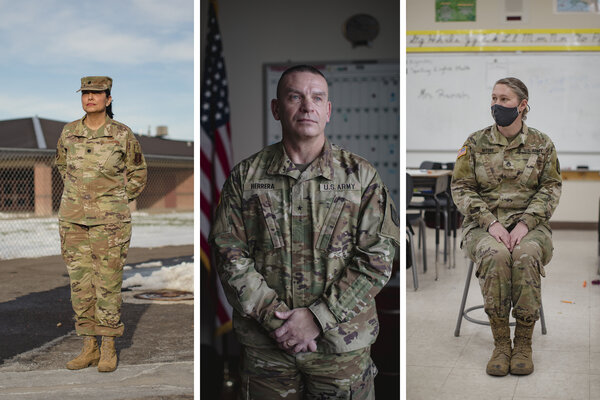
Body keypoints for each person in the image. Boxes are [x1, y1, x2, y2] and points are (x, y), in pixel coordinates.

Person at [209, 65, 399, 398]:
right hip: (267, 350)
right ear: (277, 108)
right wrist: (278, 322)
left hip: (341, 348)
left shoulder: (361, 177)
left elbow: (377, 259)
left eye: (317, 98)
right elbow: (229, 254)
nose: (307, 106)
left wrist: (317, 318)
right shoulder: (245, 176)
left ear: (328, 111)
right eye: (295, 96)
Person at [451, 77, 562, 376]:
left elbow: (551, 188)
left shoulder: (542, 144)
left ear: (522, 105)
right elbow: (461, 188)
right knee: (496, 255)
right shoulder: (475, 143)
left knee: (525, 256)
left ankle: (523, 342)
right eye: (494, 98)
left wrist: (525, 224)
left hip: (532, 225)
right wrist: (490, 223)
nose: (496, 105)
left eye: (504, 100)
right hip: (482, 226)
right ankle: (501, 342)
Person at [55, 76, 147, 372]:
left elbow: (138, 171)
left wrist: (120, 197)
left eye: (97, 93)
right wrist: (78, 196)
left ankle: (108, 347)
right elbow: (61, 166)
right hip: (73, 220)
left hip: (110, 223)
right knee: (80, 285)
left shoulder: (122, 134)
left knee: (107, 284)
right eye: (85, 93)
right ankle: (89, 346)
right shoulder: (69, 133)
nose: (90, 97)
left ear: (108, 99)